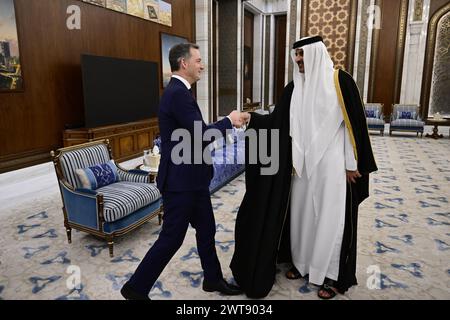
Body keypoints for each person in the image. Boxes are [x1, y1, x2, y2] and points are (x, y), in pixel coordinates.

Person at [231, 36, 377, 299]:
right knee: (302, 217)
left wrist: (352, 163)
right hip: (300, 167)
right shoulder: (294, 88)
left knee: (330, 220)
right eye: (295, 55)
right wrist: (252, 118)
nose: (297, 60)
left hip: (332, 165)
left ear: (315, 53)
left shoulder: (340, 81)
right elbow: (277, 123)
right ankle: (301, 264)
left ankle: (330, 275)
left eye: (301, 54)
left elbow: (353, 126)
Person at [121, 43, 244, 300]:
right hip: (180, 184)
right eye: (198, 60)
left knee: (207, 230)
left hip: (194, 181)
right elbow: (201, 134)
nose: (202, 65)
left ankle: (212, 279)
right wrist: (229, 121)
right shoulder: (177, 93)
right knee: (171, 238)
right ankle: (135, 288)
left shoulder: (181, 92)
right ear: (184, 63)